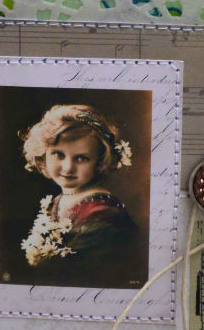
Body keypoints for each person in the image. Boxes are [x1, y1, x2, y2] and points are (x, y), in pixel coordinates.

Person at [20, 104, 139, 288]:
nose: (68, 167)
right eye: (58, 155)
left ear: (99, 161)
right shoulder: (58, 201)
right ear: (44, 154)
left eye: (81, 158)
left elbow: (87, 274)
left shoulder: (102, 212)